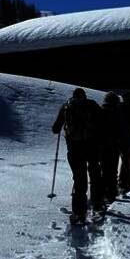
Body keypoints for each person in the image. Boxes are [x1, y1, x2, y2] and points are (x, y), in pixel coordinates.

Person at [52, 88, 104, 223]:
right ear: (85, 96)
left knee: (79, 179)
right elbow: (102, 123)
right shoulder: (92, 105)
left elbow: (55, 128)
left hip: (74, 149)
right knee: (95, 175)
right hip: (91, 147)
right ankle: (97, 205)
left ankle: (78, 213)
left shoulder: (66, 106)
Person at [99, 91, 125, 204]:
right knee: (112, 170)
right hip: (114, 146)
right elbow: (121, 129)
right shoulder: (117, 112)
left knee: (104, 170)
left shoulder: (100, 111)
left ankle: (102, 193)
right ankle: (111, 194)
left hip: (101, 146)